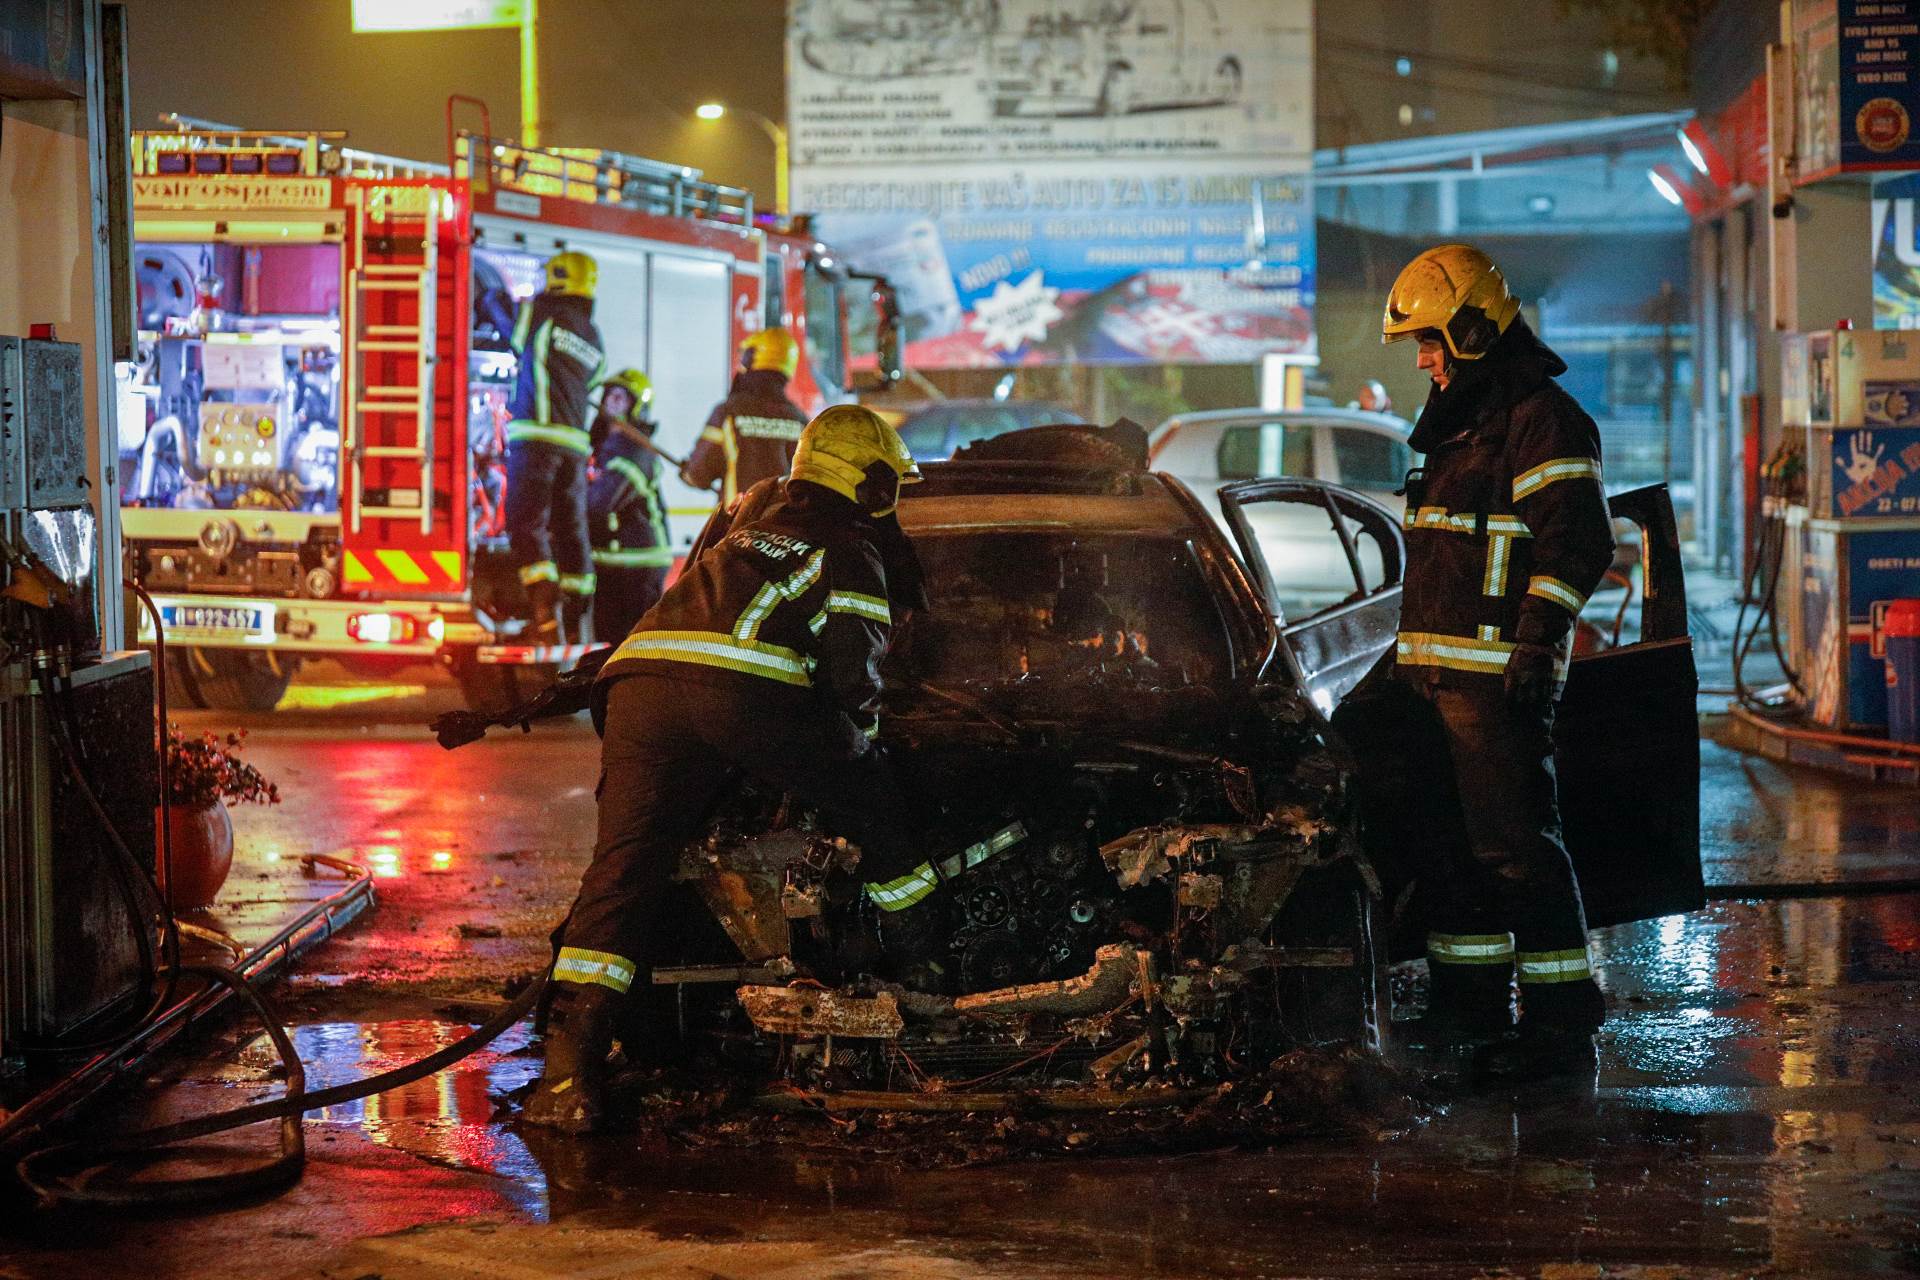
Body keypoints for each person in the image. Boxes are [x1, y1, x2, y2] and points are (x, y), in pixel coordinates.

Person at [523, 405, 939, 1133]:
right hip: (743, 694)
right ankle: (929, 971)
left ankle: (565, 1081)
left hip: (640, 691)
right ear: (872, 483)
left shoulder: (746, 532)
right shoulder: (848, 544)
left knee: (623, 872)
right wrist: (864, 752)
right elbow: (858, 677)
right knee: (874, 802)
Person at [1379, 243, 1615, 1082]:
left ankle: (1558, 1026)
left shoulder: (1541, 420)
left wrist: (1539, 639)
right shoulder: (1462, 427)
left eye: (1433, 341)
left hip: (1493, 684)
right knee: (1451, 854)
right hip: (1436, 686)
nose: (1424, 361)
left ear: (1476, 328)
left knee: (1517, 854)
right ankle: (1468, 1007)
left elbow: (1578, 540)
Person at [506, 251, 605, 642]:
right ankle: (576, 614)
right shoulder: (592, 334)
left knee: (525, 522)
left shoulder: (541, 313)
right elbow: (592, 378)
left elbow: (505, 322)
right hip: (573, 447)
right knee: (570, 528)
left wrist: (493, 300)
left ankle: (544, 610)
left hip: (536, 439)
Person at [586, 369, 674, 643]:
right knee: (608, 643)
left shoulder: (636, 451)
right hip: (613, 563)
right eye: (609, 395)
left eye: (621, 397)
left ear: (637, 407)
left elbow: (599, 503)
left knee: (631, 645)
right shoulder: (602, 446)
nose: (611, 402)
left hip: (638, 564)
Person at [683, 327, 808, 505]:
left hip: (739, 528)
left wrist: (686, 471)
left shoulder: (729, 413)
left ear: (751, 358)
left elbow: (697, 475)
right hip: (786, 530)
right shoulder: (801, 421)